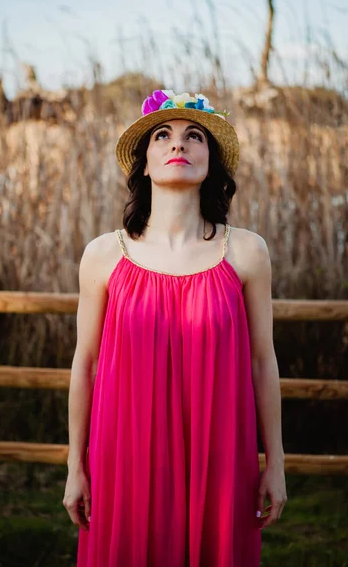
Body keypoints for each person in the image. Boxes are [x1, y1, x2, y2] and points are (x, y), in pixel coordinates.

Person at [63, 90, 287, 566]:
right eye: (162, 135)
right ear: (144, 164)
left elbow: (263, 363)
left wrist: (276, 463)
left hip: (222, 454)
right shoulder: (104, 254)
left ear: (211, 160)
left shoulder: (247, 251)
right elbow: (84, 364)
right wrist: (74, 467)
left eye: (194, 136)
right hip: (125, 454)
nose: (178, 144)